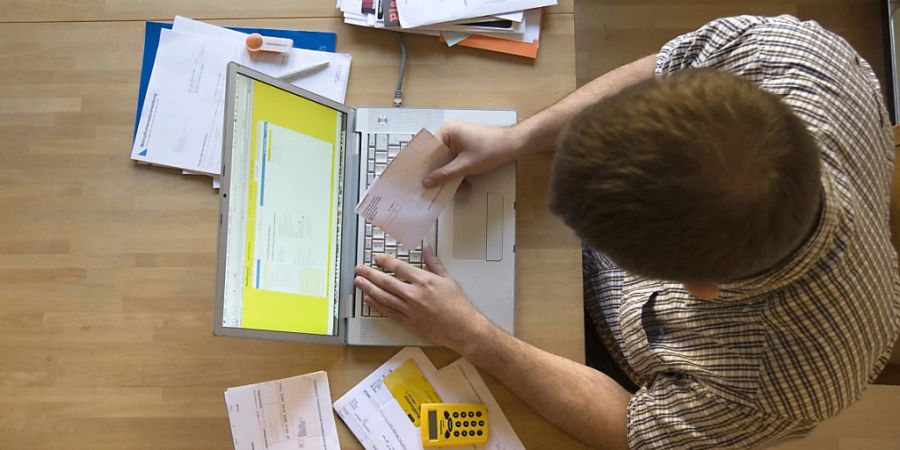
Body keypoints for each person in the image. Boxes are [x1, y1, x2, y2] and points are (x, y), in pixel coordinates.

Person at [354, 15, 900, 449]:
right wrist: (516, 139)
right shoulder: (793, 54)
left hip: (621, 361)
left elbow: (632, 430)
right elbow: (669, 66)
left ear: (699, 287)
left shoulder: (774, 385)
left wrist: (473, 334)